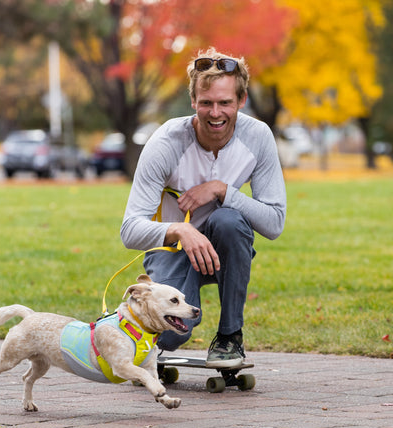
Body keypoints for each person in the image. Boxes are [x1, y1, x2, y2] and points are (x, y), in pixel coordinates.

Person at [119, 47, 287, 368]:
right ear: (193, 101)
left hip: (224, 247)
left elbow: (275, 223)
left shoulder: (258, 137)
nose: (215, 113)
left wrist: (222, 191)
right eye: (206, 103)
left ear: (241, 100)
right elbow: (130, 230)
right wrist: (180, 230)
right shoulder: (166, 142)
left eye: (225, 102)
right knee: (172, 335)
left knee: (229, 220)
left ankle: (229, 338)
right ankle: (124, 324)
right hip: (172, 251)